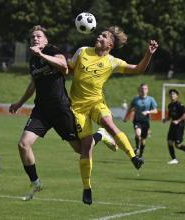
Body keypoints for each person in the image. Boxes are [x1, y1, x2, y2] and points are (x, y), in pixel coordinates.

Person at [9, 25, 115, 201]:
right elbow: (34, 83)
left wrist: (42, 54)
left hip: (61, 109)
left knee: (81, 150)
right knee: (23, 145)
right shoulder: (33, 61)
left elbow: (64, 65)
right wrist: (19, 103)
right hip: (41, 110)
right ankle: (36, 183)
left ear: (45, 40)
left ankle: (100, 135)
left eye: (38, 36)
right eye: (32, 37)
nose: (35, 39)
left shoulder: (51, 50)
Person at [68, 26, 159, 205]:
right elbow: (69, 69)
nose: (99, 37)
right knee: (85, 147)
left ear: (110, 44)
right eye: (100, 34)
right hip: (77, 108)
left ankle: (134, 157)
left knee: (110, 124)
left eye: (103, 36)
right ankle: (87, 187)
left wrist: (148, 54)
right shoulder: (82, 51)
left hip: (96, 103)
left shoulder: (112, 61)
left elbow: (138, 69)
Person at [162, 89, 185, 164]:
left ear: (177, 96)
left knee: (178, 145)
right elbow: (170, 116)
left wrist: (178, 121)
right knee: (169, 142)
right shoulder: (170, 105)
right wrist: (166, 119)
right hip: (172, 125)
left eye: (173, 94)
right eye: (170, 94)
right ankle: (174, 159)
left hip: (180, 126)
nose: (172, 95)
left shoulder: (180, 105)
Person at [124, 83, 158, 158]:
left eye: (145, 88)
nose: (143, 90)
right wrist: (126, 117)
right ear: (140, 90)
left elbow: (155, 110)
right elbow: (130, 108)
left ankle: (141, 155)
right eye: (142, 88)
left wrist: (148, 112)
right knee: (137, 134)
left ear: (147, 90)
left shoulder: (150, 99)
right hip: (137, 120)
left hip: (145, 121)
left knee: (143, 140)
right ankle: (137, 147)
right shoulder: (136, 99)